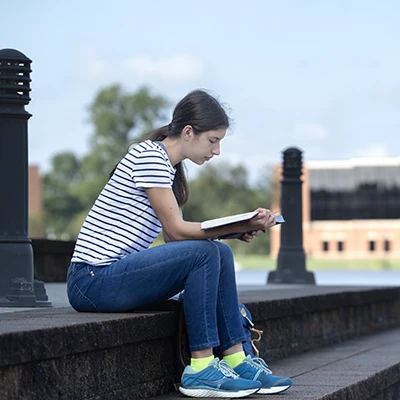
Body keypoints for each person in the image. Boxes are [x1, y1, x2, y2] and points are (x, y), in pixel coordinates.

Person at [67, 89, 292, 398]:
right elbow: (178, 230)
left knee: (220, 252)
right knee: (204, 253)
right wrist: (241, 223)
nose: (216, 152)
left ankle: (238, 360)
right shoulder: (149, 156)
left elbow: (174, 238)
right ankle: (200, 370)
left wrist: (235, 232)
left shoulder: (168, 166)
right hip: (91, 280)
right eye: (213, 140)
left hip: (109, 278)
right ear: (188, 132)